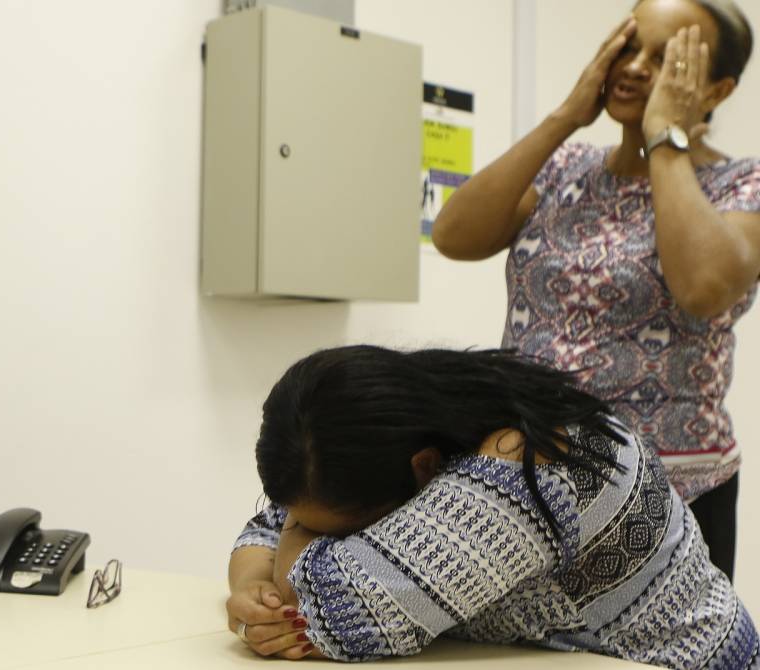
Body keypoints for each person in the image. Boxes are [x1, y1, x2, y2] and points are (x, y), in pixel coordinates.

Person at [430, 0, 760, 581]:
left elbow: (705, 287)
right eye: (628, 46)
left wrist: (665, 140)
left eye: (666, 59)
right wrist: (564, 116)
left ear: (716, 90)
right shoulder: (567, 167)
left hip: (671, 494)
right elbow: (455, 235)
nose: (634, 67)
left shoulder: (741, 184)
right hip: (530, 475)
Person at [227, 345, 757, 666]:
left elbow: (345, 604)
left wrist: (286, 570)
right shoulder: (415, 425)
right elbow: (267, 528)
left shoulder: (528, 461)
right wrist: (254, 592)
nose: (299, 528)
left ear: (423, 467)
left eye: (324, 531)